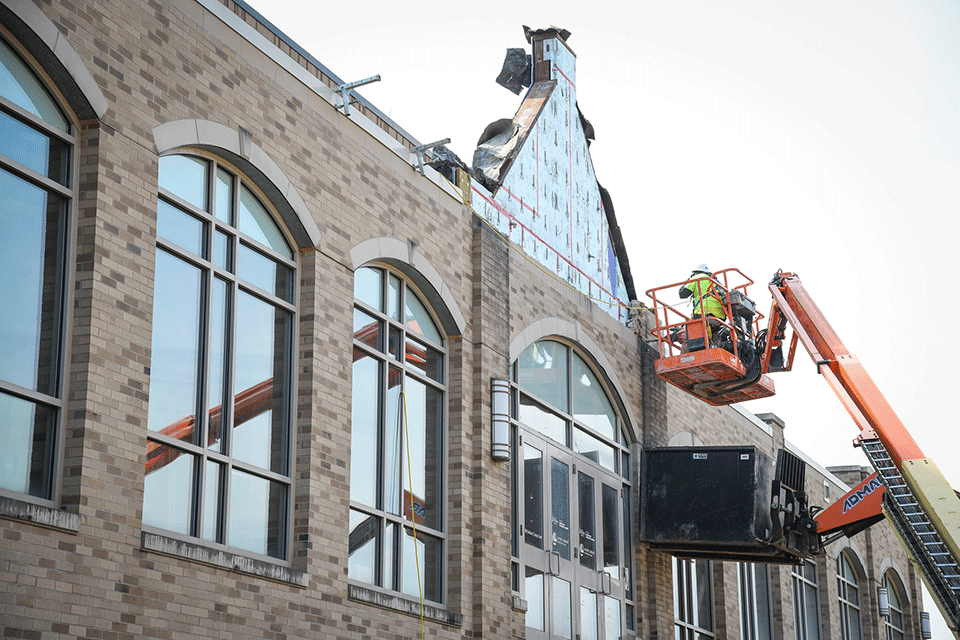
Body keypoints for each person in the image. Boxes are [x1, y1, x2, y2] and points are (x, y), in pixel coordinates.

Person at [678, 264, 726, 349]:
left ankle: (684, 358)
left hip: (703, 313)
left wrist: (688, 281)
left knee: (688, 337)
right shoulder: (717, 282)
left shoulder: (698, 277)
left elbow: (682, 294)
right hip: (720, 318)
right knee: (712, 340)